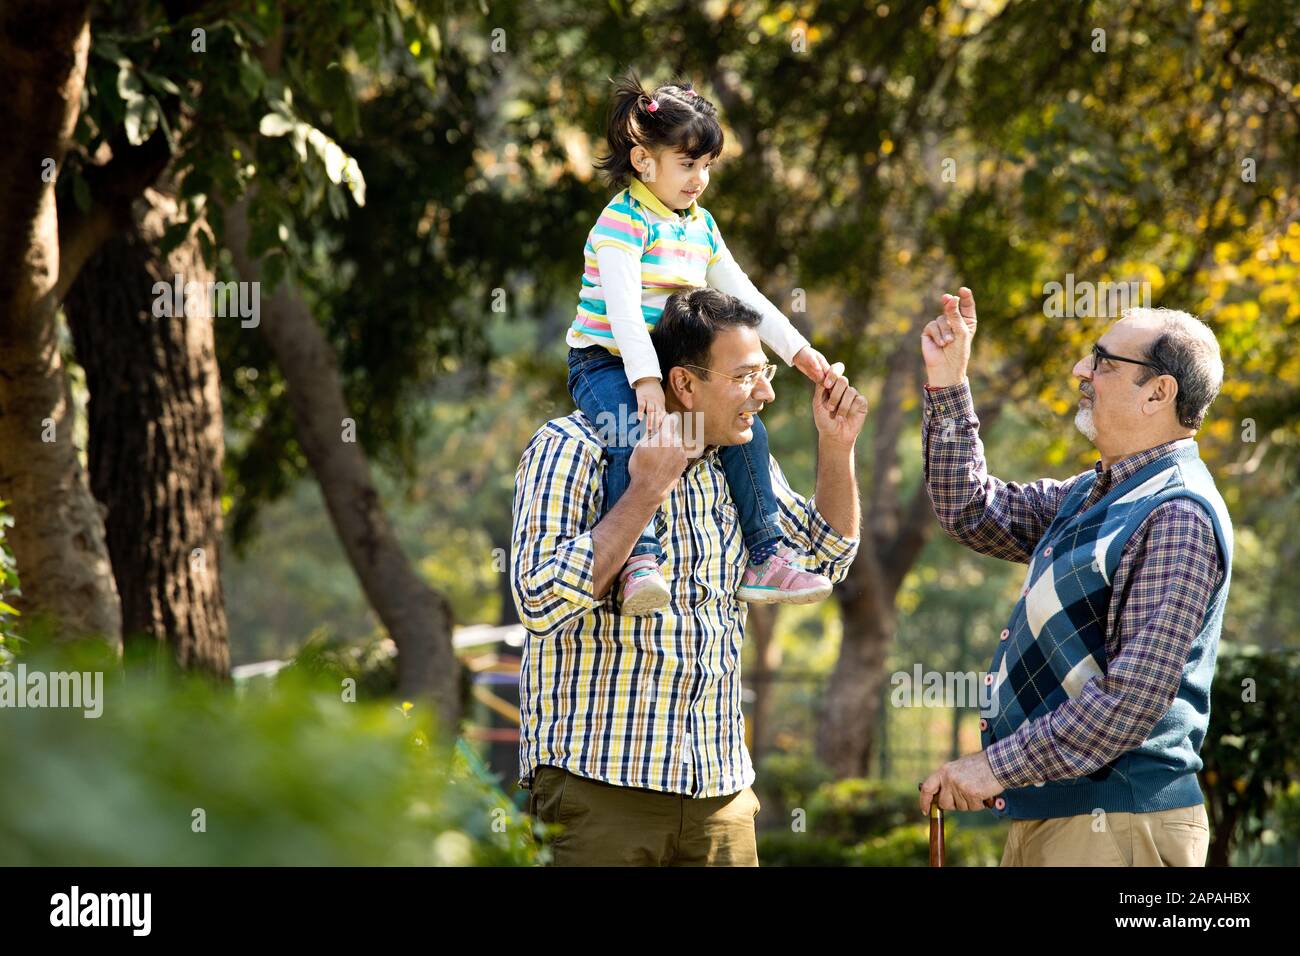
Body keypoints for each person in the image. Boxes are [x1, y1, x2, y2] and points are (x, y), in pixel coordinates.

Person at [511, 288, 866, 865]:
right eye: (746, 375)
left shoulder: (740, 461)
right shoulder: (569, 449)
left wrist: (836, 445)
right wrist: (645, 489)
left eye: (767, 372)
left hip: (721, 797)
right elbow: (538, 601)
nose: (767, 393)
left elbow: (826, 559)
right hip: (601, 791)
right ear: (683, 384)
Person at [917, 287, 1232, 867]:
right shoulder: (1094, 493)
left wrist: (992, 767)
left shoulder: (1177, 515)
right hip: (1067, 819)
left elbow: (1129, 700)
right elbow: (971, 509)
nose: (1079, 369)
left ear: (1159, 392)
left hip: (1119, 826)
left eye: (1103, 361)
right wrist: (948, 385)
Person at [567, 70, 844, 614]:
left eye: (706, 166)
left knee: (748, 435)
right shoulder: (621, 223)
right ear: (644, 161)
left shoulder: (701, 226)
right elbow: (624, 314)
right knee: (633, 432)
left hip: (671, 363)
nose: (698, 179)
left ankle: (765, 556)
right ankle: (639, 562)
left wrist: (800, 352)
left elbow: (746, 298)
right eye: (687, 164)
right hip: (606, 362)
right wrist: (645, 383)